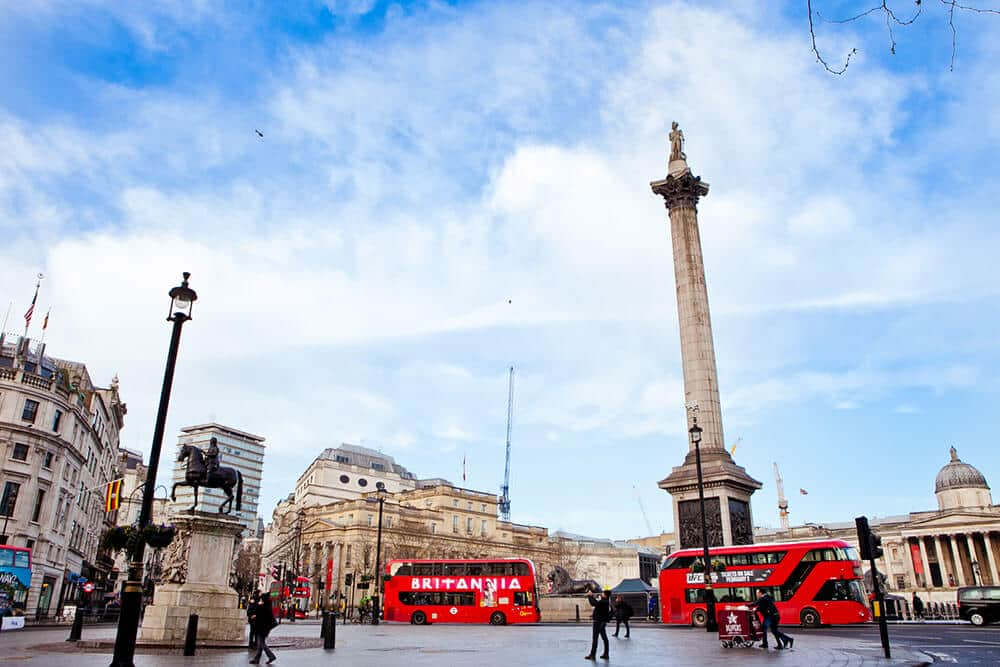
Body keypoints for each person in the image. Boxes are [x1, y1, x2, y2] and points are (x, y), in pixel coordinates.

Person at [249, 588, 278, 664]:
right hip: (265, 628)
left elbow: (259, 614)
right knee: (260, 643)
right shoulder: (267, 606)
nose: (260, 601)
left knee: (261, 643)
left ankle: (271, 656)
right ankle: (257, 659)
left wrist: (254, 606)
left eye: (261, 600)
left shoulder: (263, 607)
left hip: (263, 628)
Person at [584, 589, 612, 660]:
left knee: (595, 638)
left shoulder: (603, 602)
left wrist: (590, 596)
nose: (601, 594)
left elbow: (594, 604)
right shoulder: (605, 601)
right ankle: (606, 653)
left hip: (598, 622)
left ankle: (592, 655)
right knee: (604, 638)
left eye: (603, 593)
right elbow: (596, 603)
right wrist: (592, 596)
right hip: (602, 622)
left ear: (605, 595)